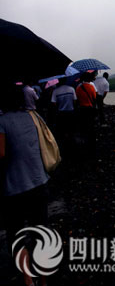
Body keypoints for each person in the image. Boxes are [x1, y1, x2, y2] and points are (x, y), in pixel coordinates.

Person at [0, 84, 50, 286]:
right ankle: (44, 278)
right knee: (41, 230)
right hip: (39, 181)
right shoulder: (34, 117)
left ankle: (28, 279)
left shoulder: (2, 122)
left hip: (15, 187)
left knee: (18, 233)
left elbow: (2, 154)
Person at [51, 77, 77, 154]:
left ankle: (63, 148)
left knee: (62, 130)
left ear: (58, 81)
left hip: (61, 113)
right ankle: (71, 146)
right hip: (71, 112)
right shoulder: (71, 89)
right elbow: (75, 100)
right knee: (71, 130)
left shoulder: (56, 91)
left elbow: (53, 103)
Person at [75, 72, 97, 156]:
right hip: (90, 109)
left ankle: (84, 143)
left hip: (81, 109)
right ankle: (91, 145)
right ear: (89, 78)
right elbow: (94, 99)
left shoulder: (78, 87)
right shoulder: (91, 87)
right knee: (91, 126)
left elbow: (77, 100)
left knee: (83, 126)